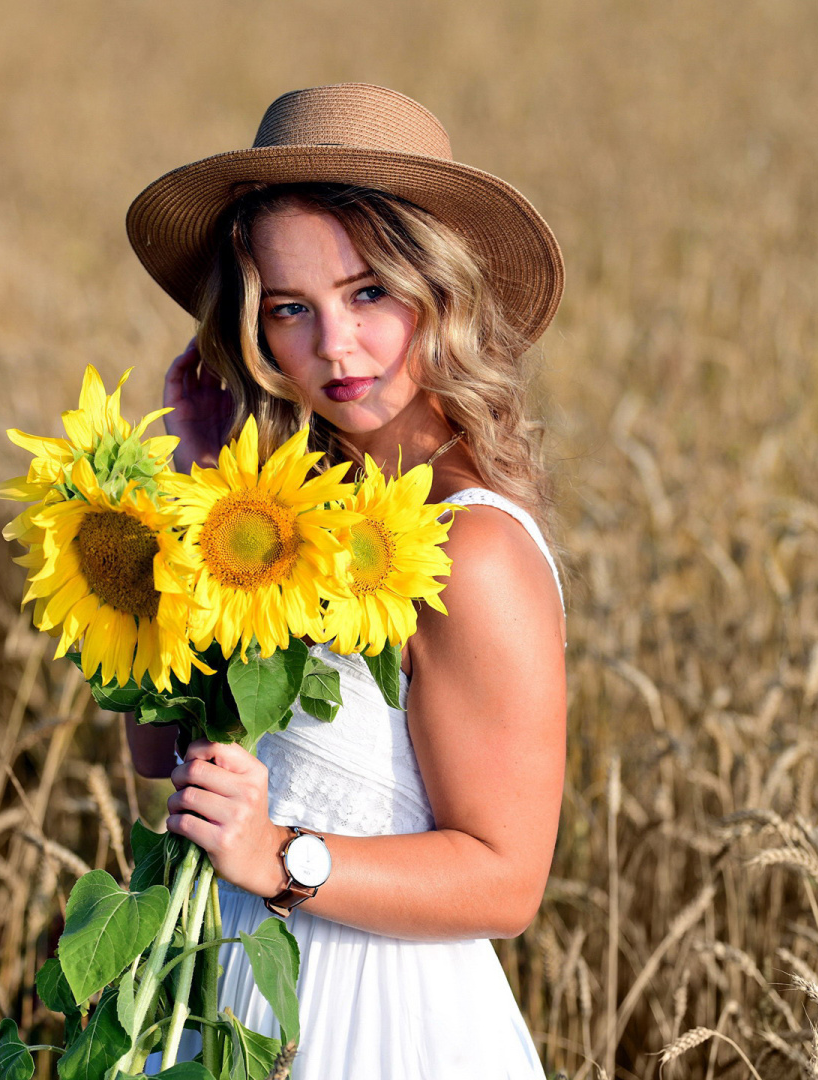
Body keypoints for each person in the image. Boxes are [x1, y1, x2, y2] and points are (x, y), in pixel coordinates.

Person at [121, 83, 569, 1077]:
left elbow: (507, 881)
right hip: (225, 1001)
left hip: (384, 1026)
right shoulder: (284, 517)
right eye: (291, 308)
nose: (333, 345)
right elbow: (158, 747)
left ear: (440, 289)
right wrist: (201, 488)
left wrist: (278, 855)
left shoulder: (474, 551)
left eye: (368, 293)